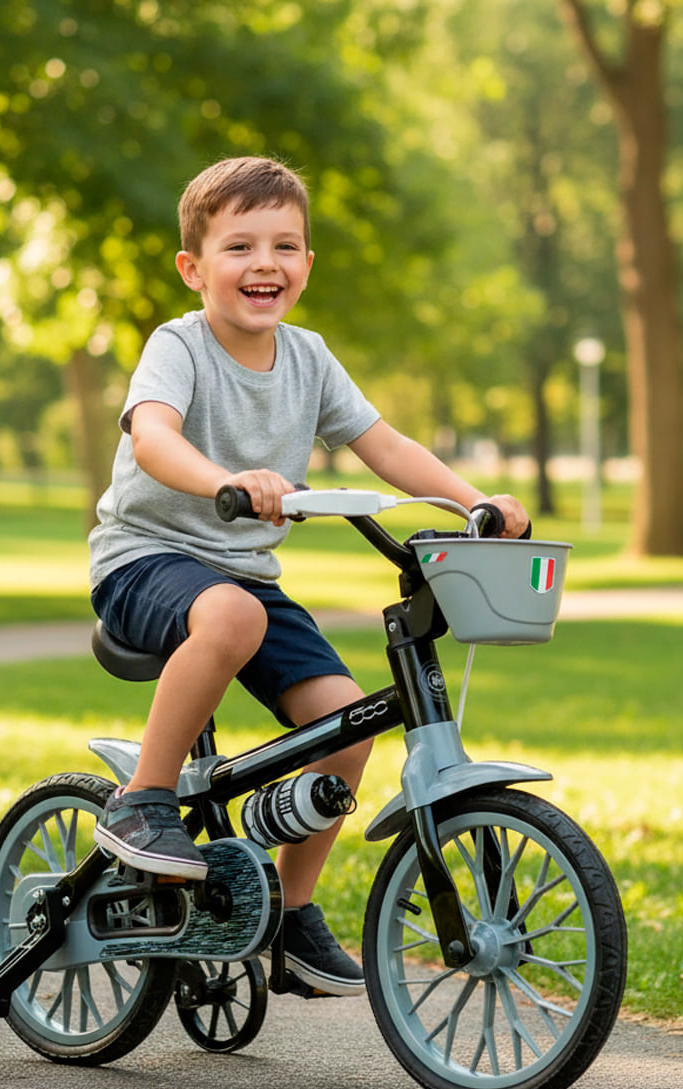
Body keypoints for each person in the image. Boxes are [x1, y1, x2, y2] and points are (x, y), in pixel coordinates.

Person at [88, 156, 529, 996]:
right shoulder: (177, 346)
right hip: (143, 559)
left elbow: (386, 446)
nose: (265, 264)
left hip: (241, 577)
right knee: (230, 619)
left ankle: (286, 917)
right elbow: (152, 436)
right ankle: (142, 801)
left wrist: (480, 503)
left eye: (285, 246)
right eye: (240, 245)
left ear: (307, 265)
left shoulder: (309, 358)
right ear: (194, 267)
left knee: (351, 727)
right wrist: (225, 478)